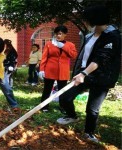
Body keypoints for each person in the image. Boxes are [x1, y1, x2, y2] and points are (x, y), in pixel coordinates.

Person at [56, 5, 121, 143]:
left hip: (101, 77)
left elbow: (102, 58)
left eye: (86, 19)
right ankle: (72, 116)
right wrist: (80, 72)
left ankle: (89, 133)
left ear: (94, 19)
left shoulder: (113, 36)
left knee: (92, 109)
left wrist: (84, 73)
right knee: (65, 97)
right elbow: (84, 56)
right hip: (84, 73)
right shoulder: (90, 35)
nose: (84, 22)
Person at [39, 25, 78, 112]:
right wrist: (42, 69)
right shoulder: (49, 44)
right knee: (47, 89)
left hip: (63, 71)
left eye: (60, 34)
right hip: (50, 70)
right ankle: (44, 106)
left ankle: (62, 106)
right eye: (56, 34)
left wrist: (63, 47)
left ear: (65, 34)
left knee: (62, 90)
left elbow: (73, 55)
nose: (58, 36)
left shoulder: (70, 45)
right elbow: (44, 57)